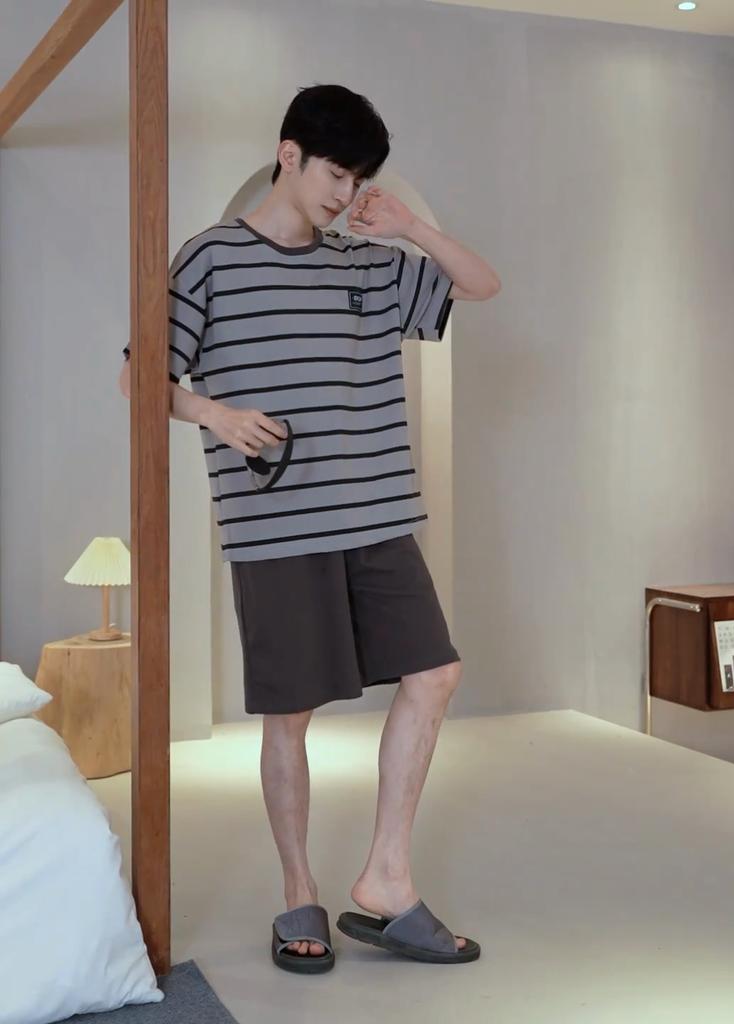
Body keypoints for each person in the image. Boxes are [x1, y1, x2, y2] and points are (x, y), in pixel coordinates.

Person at [120, 83, 500, 973]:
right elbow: (141, 376)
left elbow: (481, 284)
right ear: (288, 154)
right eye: (336, 172)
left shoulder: (365, 262)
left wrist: (409, 226)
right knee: (288, 714)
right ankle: (299, 891)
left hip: (378, 513)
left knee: (436, 674)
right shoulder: (208, 259)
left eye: (359, 178)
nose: (345, 192)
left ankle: (387, 878)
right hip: (275, 523)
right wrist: (213, 413)